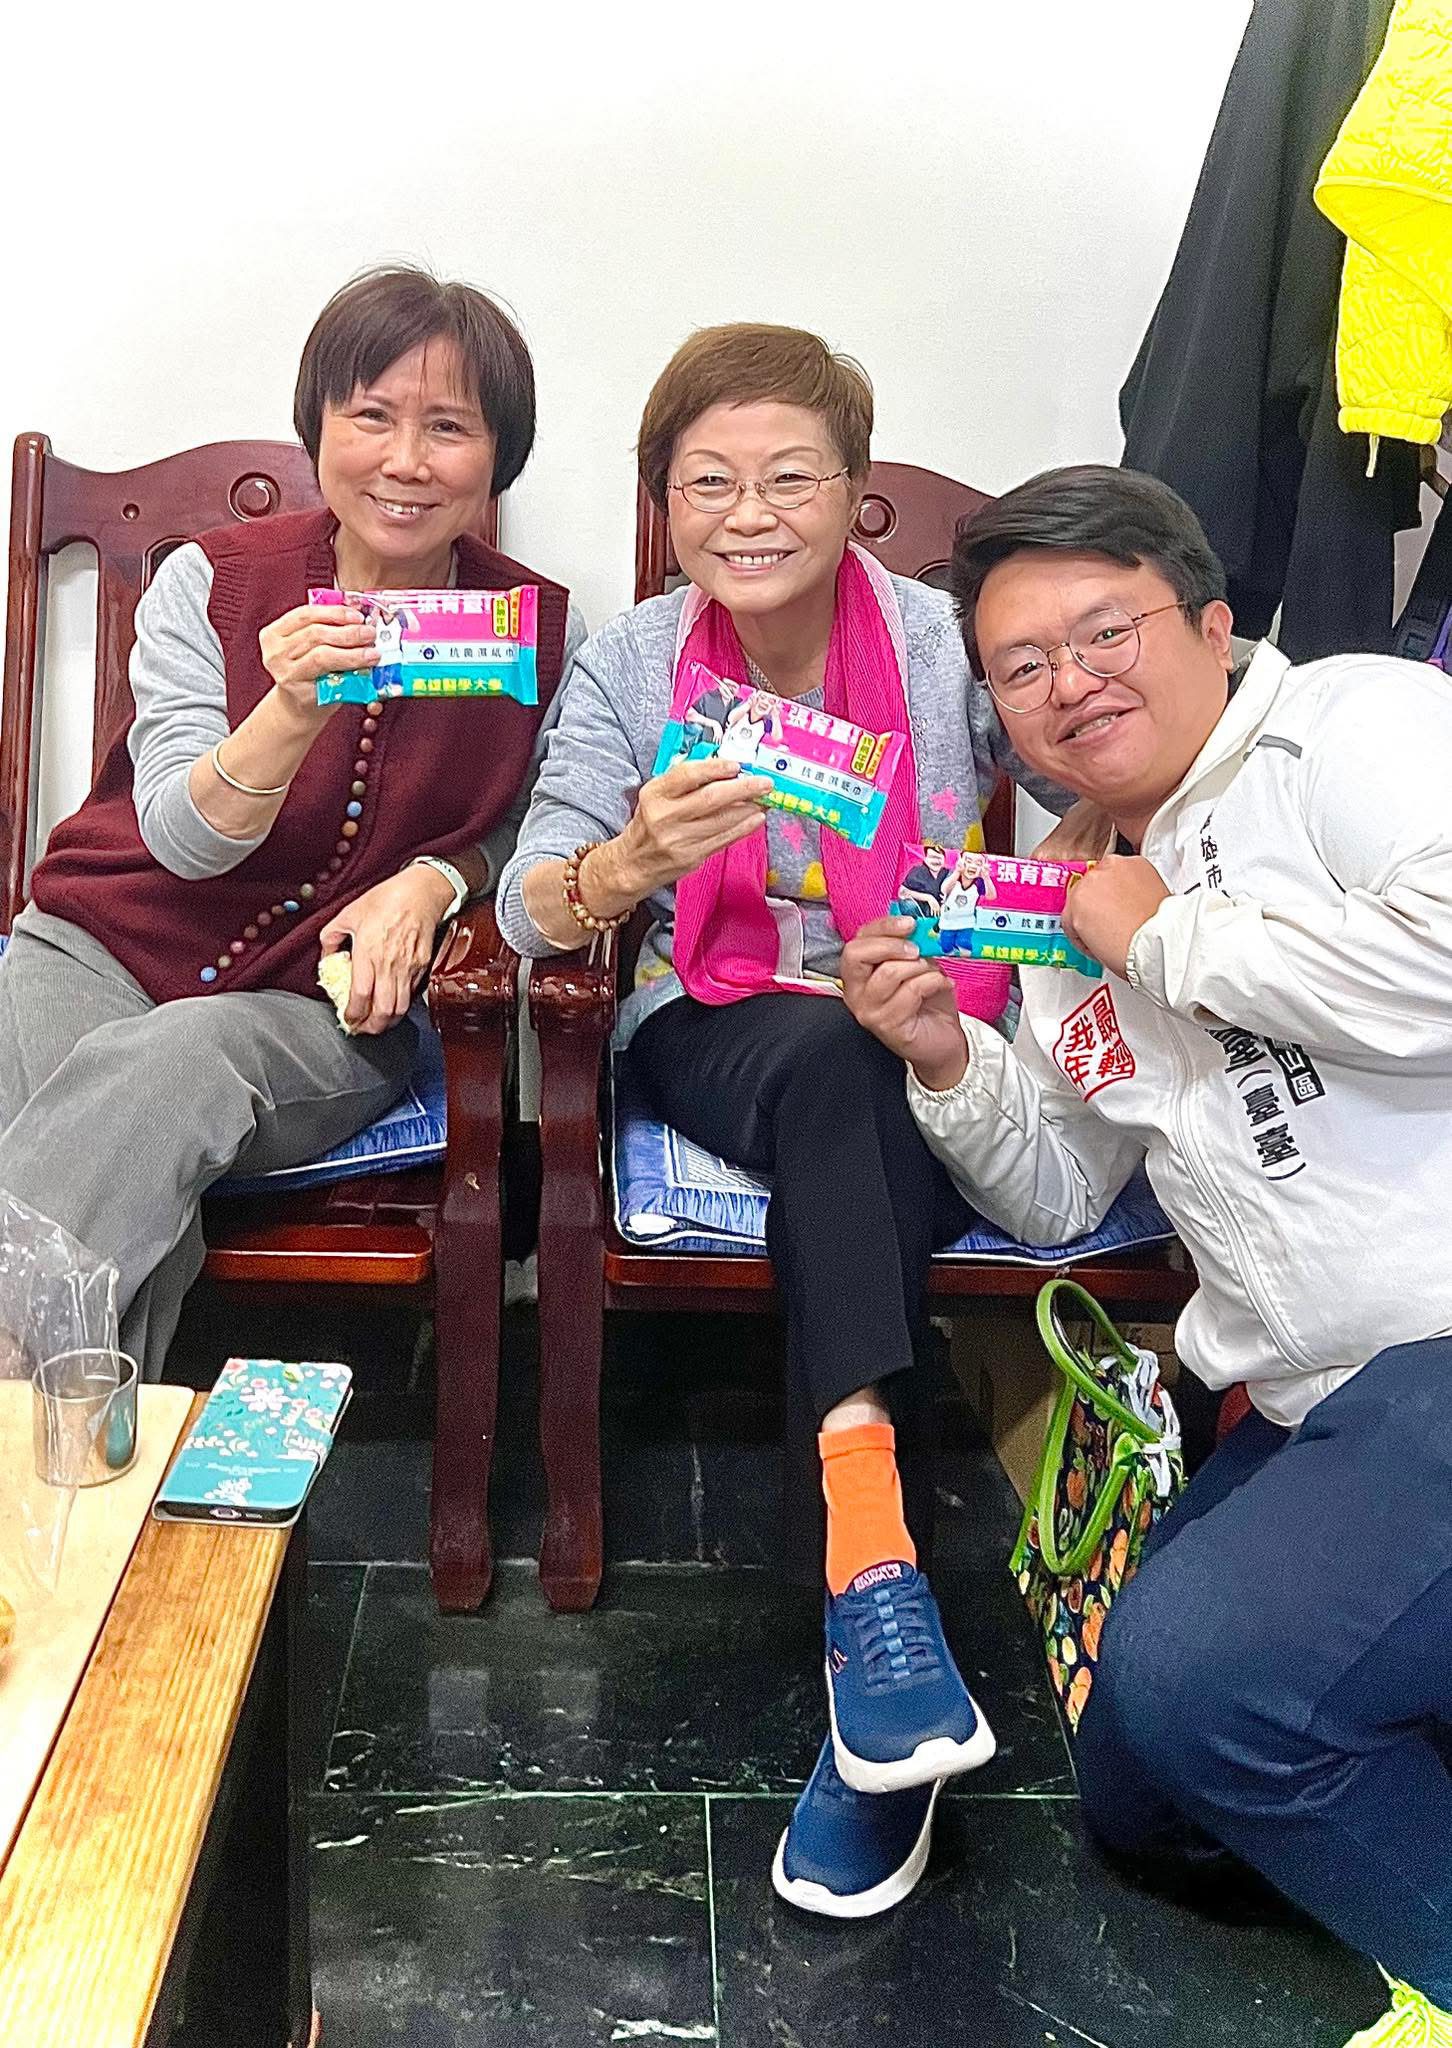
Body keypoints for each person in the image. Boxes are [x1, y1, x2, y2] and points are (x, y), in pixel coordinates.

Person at [841, 463, 1452, 2048]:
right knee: (1141, 1793)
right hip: (1315, 1410)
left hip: (1440, 1357)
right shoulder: (1062, 893)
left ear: (1210, 620)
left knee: (1209, 1690)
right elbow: (1059, 1191)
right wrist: (943, 1059)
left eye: (1104, 633)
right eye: (1021, 666)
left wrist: (1165, 936)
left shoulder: (1352, 728)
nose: (1069, 684)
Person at [497, 321, 1073, 1921]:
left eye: (791, 478)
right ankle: (875, 1566)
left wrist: (1068, 872)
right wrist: (628, 863)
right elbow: (531, 904)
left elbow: (1094, 765)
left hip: (926, 1013)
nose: (749, 514)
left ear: (855, 492)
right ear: (665, 502)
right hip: (715, 1016)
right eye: (709, 483)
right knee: (841, 1061)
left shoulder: (946, 642)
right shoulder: (634, 663)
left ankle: (876, 1676)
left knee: (876, 1063)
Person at [0, 264, 582, 1381]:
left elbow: (541, 826)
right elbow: (182, 837)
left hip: (319, 1009)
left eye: (448, 426)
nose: (405, 460)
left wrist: (438, 879)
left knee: (153, 1086)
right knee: (126, 1186)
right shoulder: (210, 583)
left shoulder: (539, 631)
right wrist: (288, 710)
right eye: (371, 416)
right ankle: (62, 1463)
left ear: (498, 454)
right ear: (317, 426)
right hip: (94, 950)